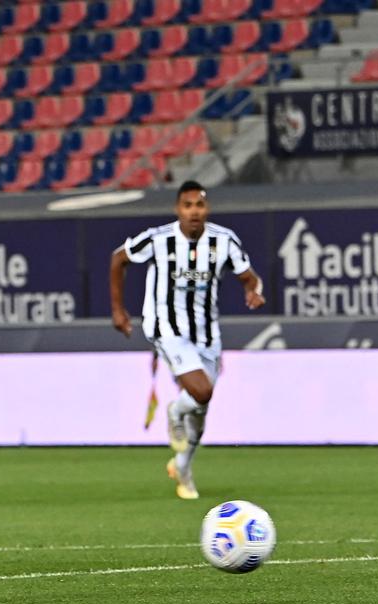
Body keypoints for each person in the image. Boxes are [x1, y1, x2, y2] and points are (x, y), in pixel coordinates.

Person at [109, 181, 264, 499]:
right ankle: (173, 412)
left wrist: (253, 291)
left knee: (201, 412)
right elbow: (118, 259)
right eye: (187, 205)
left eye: (199, 205)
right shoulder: (158, 239)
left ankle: (183, 466)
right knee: (201, 391)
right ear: (178, 209)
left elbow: (249, 276)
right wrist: (118, 310)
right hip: (167, 328)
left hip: (207, 333)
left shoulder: (224, 241)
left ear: (206, 209)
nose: (194, 211)